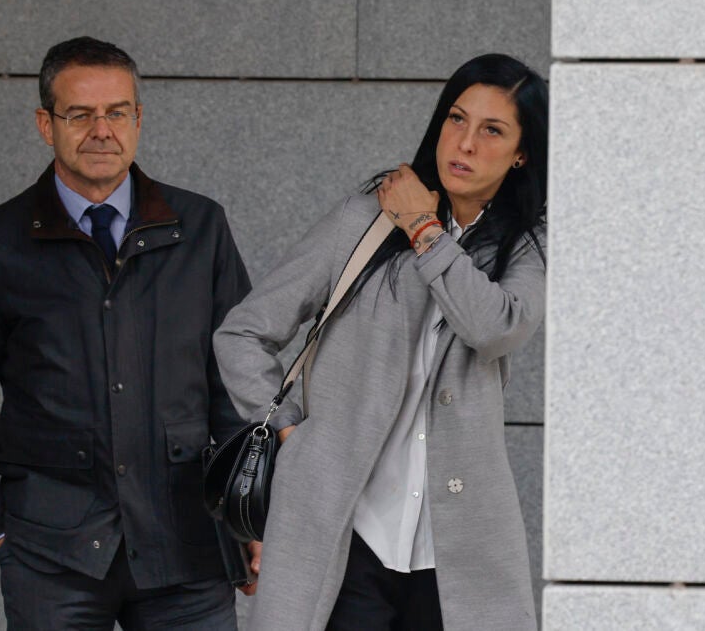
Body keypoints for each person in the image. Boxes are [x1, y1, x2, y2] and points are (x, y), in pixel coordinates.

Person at [0, 36, 256, 629]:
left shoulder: (200, 229)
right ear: (45, 125)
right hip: (52, 557)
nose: (102, 130)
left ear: (138, 119)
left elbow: (238, 385)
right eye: (80, 114)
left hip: (186, 544)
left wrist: (248, 516)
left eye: (117, 112)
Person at [214, 53, 547, 630]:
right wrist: (294, 435)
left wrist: (424, 229)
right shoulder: (366, 220)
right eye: (457, 119)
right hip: (346, 535)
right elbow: (243, 333)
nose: (465, 143)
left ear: (521, 152)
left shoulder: (528, 245)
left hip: (455, 552)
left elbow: (495, 328)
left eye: (492, 130)